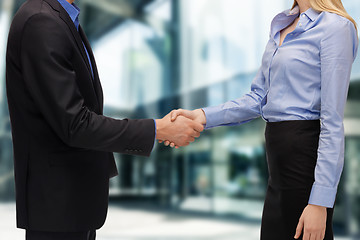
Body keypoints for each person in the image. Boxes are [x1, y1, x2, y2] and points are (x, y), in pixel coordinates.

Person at [5, 0, 204, 239]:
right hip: (57, 205)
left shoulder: (64, 19)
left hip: (72, 202)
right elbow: (75, 123)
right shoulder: (42, 21)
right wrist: (156, 129)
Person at [166, 0, 359, 239]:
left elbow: (332, 121)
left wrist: (320, 203)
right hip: (277, 168)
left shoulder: (335, 27)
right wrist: (203, 116)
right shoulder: (282, 25)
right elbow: (257, 97)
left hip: (304, 161)